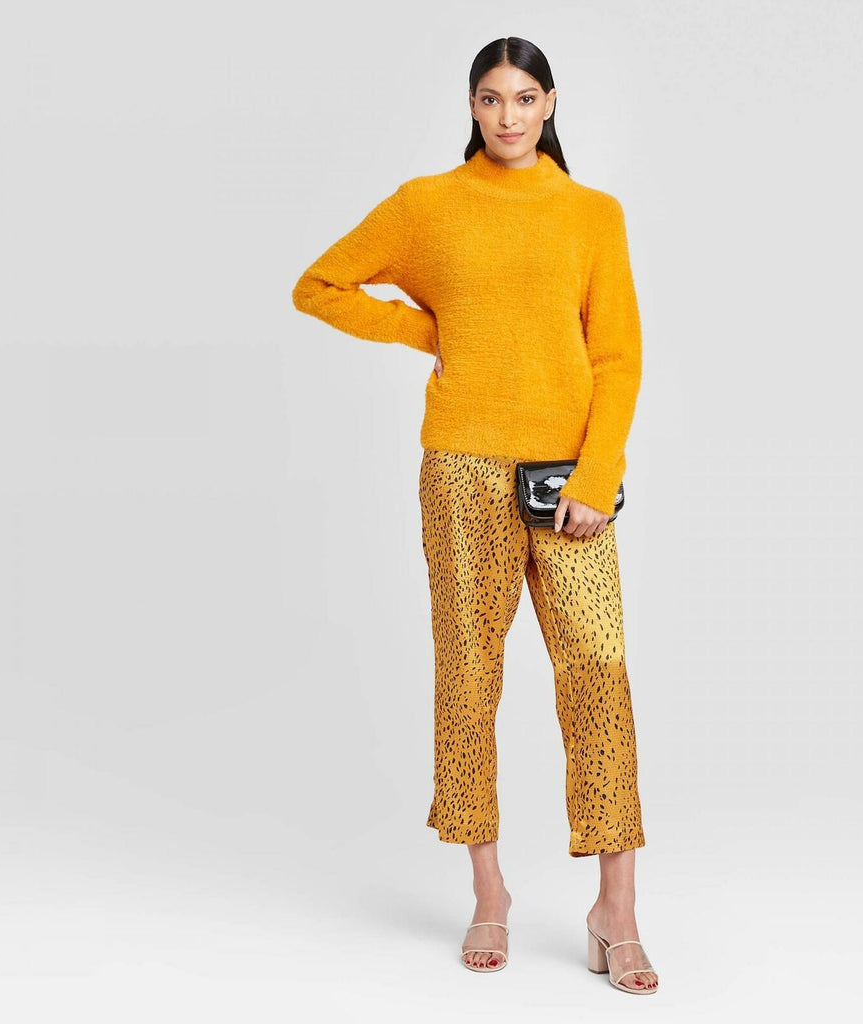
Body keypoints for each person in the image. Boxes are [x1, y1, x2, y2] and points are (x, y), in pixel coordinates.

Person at [291, 36, 658, 995]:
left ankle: (616, 908)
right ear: (471, 105)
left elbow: (618, 356)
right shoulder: (429, 205)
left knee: (599, 669)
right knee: (468, 671)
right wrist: (427, 328)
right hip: (461, 470)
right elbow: (318, 285)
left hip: (569, 479)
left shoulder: (592, 214)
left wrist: (598, 472)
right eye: (492, 98)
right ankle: (488, 889)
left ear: (550, 105)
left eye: (525, 98)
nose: (508, 115)